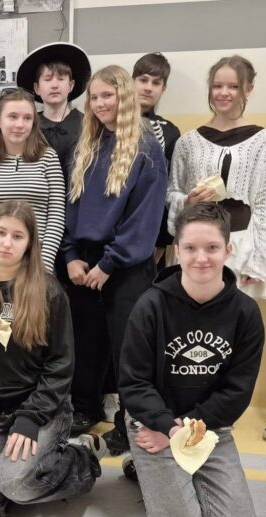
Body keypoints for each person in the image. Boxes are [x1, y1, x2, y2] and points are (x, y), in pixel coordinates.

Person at [119, 202, 264, 517]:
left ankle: (171, 474)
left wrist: (184, 432)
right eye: (191, 248)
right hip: (154, 423)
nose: (201, 258)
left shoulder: (246, 313)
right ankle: (146, 468)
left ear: (228, 250)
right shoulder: (150, 306)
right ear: (177, 251)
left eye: (212, 247)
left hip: (208, 426)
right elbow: (134, 383)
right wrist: (168, 427)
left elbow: (237, 392)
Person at [0, 201, 104, 517]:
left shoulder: (49, 292)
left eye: (17, 236)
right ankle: (17, 469)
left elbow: (61, 364)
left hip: (41, 408)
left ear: (30, 244)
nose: (7, 243)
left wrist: (31, 417)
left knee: (15, 484)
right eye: (1, 233)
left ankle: (81, 457)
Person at [61, 65, 166, 436]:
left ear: (125, 97)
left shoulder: (147, 149)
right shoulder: (85, 146)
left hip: (125, 265)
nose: (100, 103)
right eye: (94, 97)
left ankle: (129, 422)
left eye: (108, 95)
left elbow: (144, 217)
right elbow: (69, 206)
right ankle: (85, 409)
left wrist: (109, 264)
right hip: (84, 262)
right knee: (85, 343)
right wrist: (71, 255)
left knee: (129, 350)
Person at [166, 55, 266, 301]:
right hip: (194, 246)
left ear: (248, 89)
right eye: (217, 86)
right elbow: (171, 191)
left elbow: (265, 204)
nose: (223, 93)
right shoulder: (188, 142)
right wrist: (187, 201)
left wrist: (258, 260)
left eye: (233, 86)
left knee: (234, 318)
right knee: (186, 316)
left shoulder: (262, 141)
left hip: (240, 247)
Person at [0, 88, 65, 273]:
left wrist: (44, 264)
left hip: (38, 262)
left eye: (27, 118)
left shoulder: (48, 158)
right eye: (13, 117)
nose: (20, 124)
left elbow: (56, 214)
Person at [16, 42, 91, 184]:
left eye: (61, 79)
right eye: (48, 79)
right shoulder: (28, 126)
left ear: (71, 85)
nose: (55, 85)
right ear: (37, 88)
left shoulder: (86, 124)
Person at [132, 52, 180, 265]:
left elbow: (169, 190)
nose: (148, 88)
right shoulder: (110, 124)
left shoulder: (169, 131)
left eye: (156, 82)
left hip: (151, 233)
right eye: (143, 80)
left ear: (163, 88)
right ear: (132, 82)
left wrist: (161, 242)